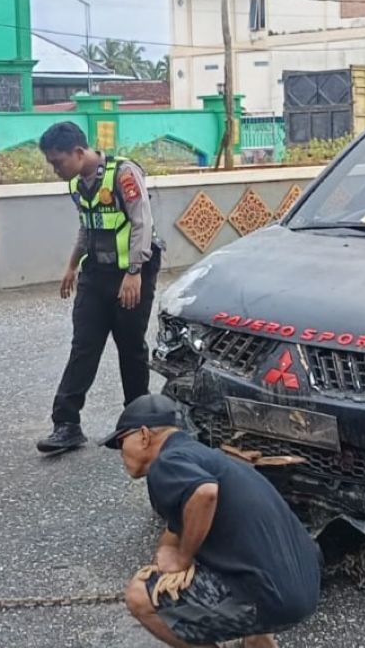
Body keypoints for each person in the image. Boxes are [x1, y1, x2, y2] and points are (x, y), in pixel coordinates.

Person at [100, 395, 322, 648]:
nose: (120, 453)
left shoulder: (166, 463)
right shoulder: (211, 458)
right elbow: (181, 521)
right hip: (303, 585)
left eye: (120, 442)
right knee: (244, 561)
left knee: (140, 596)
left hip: (270, 598)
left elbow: (205, 493)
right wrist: (167, 550)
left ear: (143, 435)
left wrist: (183, 559)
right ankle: (259, 642)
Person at [37, 122, 164, 455]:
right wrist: (71, 265)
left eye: (58, 162)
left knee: (131, 348)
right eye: (51, 163)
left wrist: (135, 271)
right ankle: (66, 424)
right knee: (84, 346)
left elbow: (142, 223)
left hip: (130, 273)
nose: (55, 170)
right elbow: (87, 227)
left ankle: (136, 425)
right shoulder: (78, 185)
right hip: (94, 273)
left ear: (79, 152)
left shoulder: (124, 175)